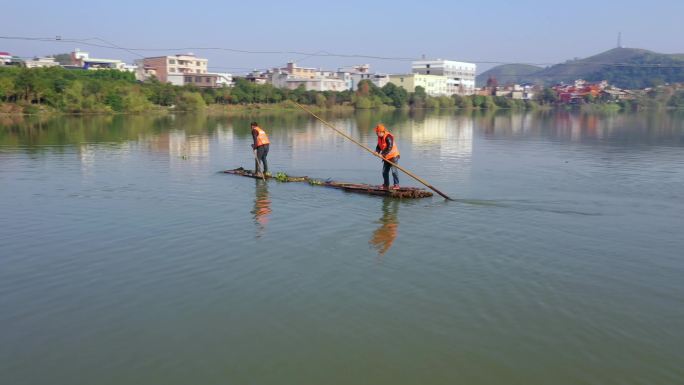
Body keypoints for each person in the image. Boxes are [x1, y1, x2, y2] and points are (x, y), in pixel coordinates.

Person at [374, 124, 400, 189]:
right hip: (386, 157)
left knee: (394, 171)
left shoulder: (388, 136)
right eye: (376, 132)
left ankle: (396, 185)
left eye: (377, 132)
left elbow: (389, 147)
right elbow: (379, 146)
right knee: (384, 172)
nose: (376, 133)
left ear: (381, 132)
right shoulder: (379, 137)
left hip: (393, 156)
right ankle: (386, 185)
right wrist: (377, 151)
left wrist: (382, 154)